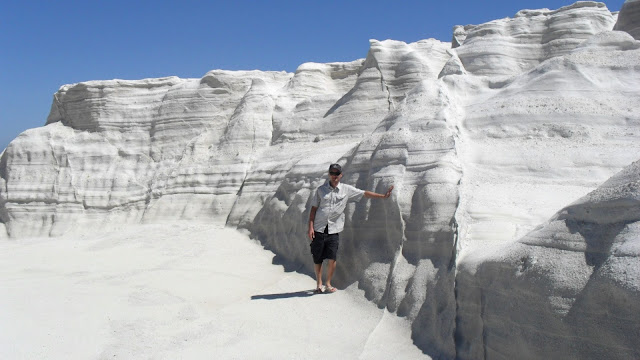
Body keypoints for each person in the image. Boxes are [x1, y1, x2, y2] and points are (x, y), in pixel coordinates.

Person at [308, 163, 394, 294]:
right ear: (329, 174)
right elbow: (313, 209)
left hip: (334, 229)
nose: (334, 176)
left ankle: (328, 283)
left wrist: (383, 196)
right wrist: (311, 227)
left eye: (337, 173)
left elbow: (364, 193)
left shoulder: (346, 190)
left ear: (341, 175)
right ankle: (319, 284)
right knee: (318, 258)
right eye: (332, 173)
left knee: (332, 258)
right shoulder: (321, 190)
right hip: (319, 228)